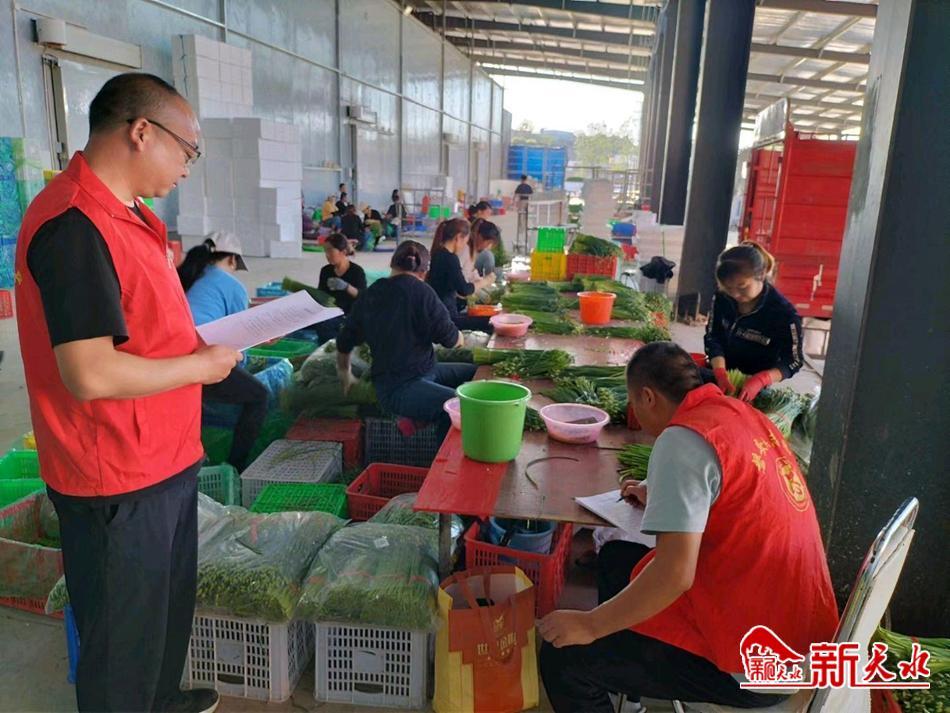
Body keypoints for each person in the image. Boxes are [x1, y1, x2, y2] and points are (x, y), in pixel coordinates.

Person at [14, 72, 240, 713]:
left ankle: (162, 699)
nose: (187, 167)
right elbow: (90, 372)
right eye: (187, 150)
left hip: (163, 452)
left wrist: (198, 347)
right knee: (121, 640)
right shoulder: (74, 224)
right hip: (113, 470)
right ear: (142, 132)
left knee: (162, 609)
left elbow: (144, 324)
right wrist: (198, 368)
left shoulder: (132, 215)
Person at [538, 342, 838, 713]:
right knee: (617, 558)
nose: (636, 416)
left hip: (754, 663)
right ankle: (629, 702)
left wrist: (591, 626)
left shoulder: (681, 440)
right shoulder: (737, 413)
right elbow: (735, 490)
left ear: (648, 397)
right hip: (801, 633)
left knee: (563, 659)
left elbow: (675, 576)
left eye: (634, 404)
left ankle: (606, 664)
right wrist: (660, 493)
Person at [335, 241, 476, 439]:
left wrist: (345, 374)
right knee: (465, 407)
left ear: (392, 265)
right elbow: (452, 341)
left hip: (410, 377)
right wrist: (461, 337)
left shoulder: (371, 293)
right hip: (400, 388)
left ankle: (416, 419)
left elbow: (344, 341)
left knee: (475, 374)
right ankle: (442, 457)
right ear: (424, 272)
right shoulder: (423, 293)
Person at [178, 232, 267, 473]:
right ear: (231, 260)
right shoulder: (232, 285)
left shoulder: (191, 277)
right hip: (200, 357)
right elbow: (240, 343)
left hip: (174, 356)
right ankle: (235, 467)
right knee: (258, 396)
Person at [704, 242, 804, 402]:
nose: (735, 294)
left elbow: (794, 360)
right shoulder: (722, 297)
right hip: (719, 375)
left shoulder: (784, 314)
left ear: (761, 275)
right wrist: (720, 372)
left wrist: (762, 379)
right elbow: (713, 336)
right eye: (728, 288)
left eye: (742, 287)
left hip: (753, 388)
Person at [427, 218, 496, 331]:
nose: (464, 246)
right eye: (465, 241)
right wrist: (485, 281)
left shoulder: (438, 253)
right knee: (491, 322)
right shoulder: (450, 258)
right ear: (458, 238)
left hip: (441, 313)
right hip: (447, 317)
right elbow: (464, 289)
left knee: (489, 321)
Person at [316, 232, 367, 341]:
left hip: (348, 314)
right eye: (325, 251)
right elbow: (320, 294)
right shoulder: (326, 270)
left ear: (343, 252)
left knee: (325, 326)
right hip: (329, 311)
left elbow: (364, 297)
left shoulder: (356, 271)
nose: (327, 255)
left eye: (330, 251)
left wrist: (346, 287)